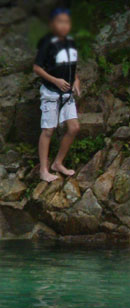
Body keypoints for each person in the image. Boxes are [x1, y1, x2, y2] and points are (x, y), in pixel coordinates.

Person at [33, 8, 81, 182]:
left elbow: (72, 68)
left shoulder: (71, 42)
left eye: (67, 21)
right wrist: (55, 81)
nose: (64, 25)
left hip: (67, 94)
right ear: (53, 24)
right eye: (60, 21)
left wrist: (76, 81)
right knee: (48, 130)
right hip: (51, 93)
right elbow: (37, 68)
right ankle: (43, 170)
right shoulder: (47, 43)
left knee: (74, 127)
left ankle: (57, 163)